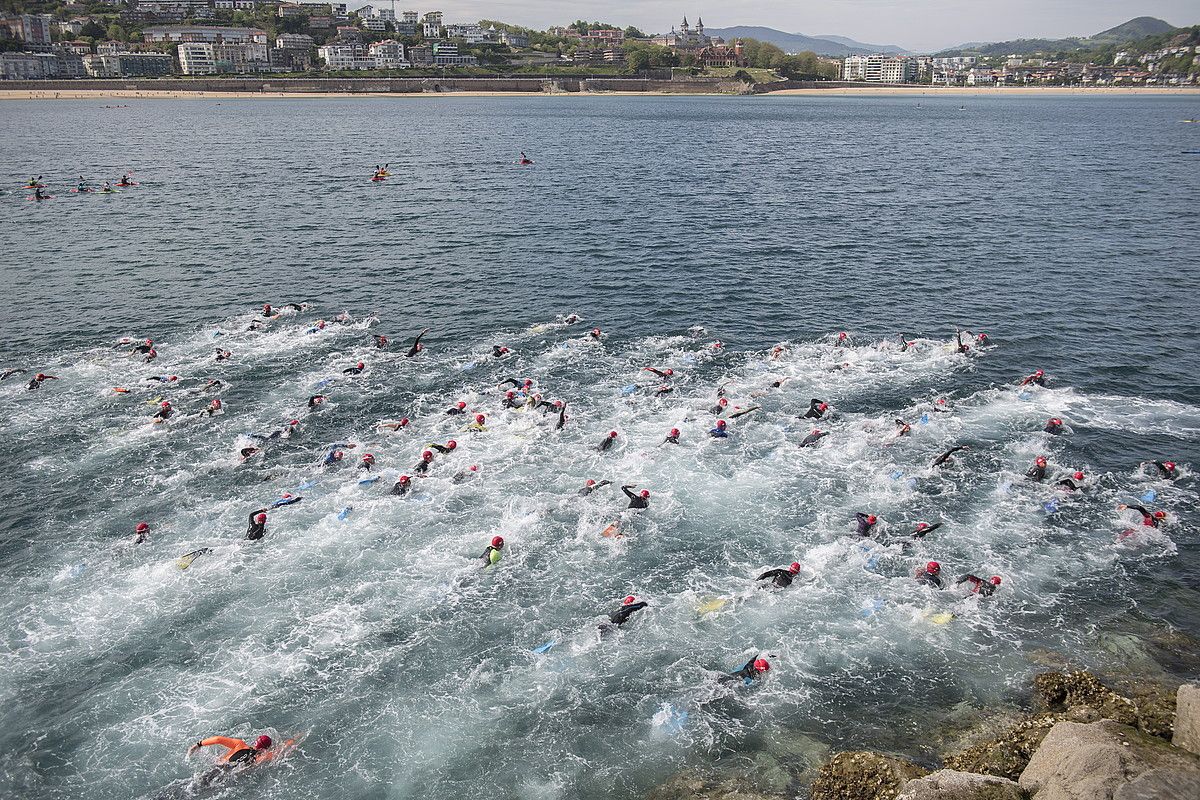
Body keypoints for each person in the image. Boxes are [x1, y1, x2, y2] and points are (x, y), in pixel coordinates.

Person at [187, 733, 279, 785]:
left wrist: (198, 745)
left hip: (218, 769)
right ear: (265, 749)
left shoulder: (240, 744)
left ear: (255, 741)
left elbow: (217, 739)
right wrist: (293, 740)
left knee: (193, 784)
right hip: (227, 779)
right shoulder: (261, 757)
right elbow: (281, 751)